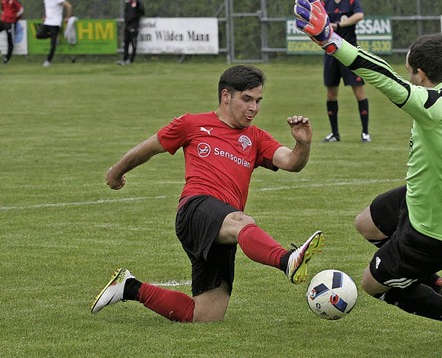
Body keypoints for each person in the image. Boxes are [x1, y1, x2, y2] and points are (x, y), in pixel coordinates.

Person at [295, 0, 442, 350]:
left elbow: (379, 73)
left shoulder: (429, 103)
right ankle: (428, 278)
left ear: (422, 73)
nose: (408, 78)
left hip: (432, 233)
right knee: (365, 223)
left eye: (410, 72)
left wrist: (330, 40)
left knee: (371, 285)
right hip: (421, 199)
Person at [91, 65, 325, 323]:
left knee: (204, 315)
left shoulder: (256, 138)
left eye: (258, 101)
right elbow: (148, 148)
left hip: (223, 228)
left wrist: (303, 144)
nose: (254, 108)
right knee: (242, 221)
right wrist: (117, 171)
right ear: (226, 96)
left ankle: (129, 287)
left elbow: (291, 162)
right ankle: (286, 259)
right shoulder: (192, 123)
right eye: (246, 99)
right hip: (196, 210)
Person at [321, 0, 370, 143]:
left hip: (350, 52)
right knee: (331, 94)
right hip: (331, 54)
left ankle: (365, 133)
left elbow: (359, 15)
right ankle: (335, 134)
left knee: (359, 92)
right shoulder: (325, 4)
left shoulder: (351, 1)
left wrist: (340, 24)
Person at [36, 0, 72, 67]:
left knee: (53, 44)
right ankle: (54, 36)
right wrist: (44, 16)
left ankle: (48, 61)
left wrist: (67, 17)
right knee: (39, 35)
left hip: (55, 23)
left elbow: (69, 6)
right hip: (47, 22)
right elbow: (47, 8)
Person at [118, 0, 145, 66]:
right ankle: (124, 59)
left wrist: (135, 19)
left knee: (133, 43)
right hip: (127, 25)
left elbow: (142, 12)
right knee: (126, 43)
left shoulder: (138, 1)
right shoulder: (127, 1)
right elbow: (126, 12)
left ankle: (131, 60)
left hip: (134, 25)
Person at [0, 0, 23, 64]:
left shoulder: (13, 0)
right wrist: (3, 16)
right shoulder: (2, 0)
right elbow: (2, 10)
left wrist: (14, 18)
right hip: (3, 21)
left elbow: (21, 10)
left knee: (10, 41)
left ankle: (7, 58)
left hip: (10, 22)